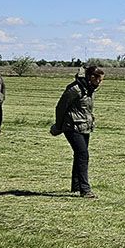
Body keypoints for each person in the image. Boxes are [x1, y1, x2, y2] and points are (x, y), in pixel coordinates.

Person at [51, 65, 104, 199]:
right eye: (98, 79)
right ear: (91, 77)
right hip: (71, 126)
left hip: (84, 126)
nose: (100, 83)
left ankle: (76, 186)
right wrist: (58, 126)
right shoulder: (74, 89)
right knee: (83, 155)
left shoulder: (89, 89)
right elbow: (60, 107)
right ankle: (85, 190)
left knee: (80, 155)